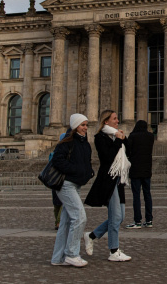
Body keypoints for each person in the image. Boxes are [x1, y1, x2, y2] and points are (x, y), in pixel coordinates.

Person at [85, 110, 132, 262]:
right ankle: (114, 250)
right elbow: (107, 157)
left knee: (120, 216)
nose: (118, 121)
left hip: (119, 180)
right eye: (114, 118)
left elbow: (129, 152)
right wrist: (118, 140)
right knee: (116, 216)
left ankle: (91, 235)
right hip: (108, 180)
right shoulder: (99, 138)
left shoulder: (116, 135)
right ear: (106, 121)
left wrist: (124, 139)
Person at [50, 114, 95, 267]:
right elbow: (57, 160)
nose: (85, 127)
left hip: (76, 185)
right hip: (65, 184)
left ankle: (58, 258)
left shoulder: (85, 143)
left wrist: (88, 173)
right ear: (75, 126)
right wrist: (75, 171)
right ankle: (71, 254)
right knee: (80, 217)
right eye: (82, 125)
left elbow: (86, 162)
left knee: (67, 222)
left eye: (86, 125)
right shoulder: (66, 142)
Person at [125, 119, 155, 229]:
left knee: (136, 196)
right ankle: (149, 220)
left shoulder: (133, 136)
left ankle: (137, 221)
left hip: (136, 170)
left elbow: (128, 151)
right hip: (147, 170)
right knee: (147, 195)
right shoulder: (151, 137)